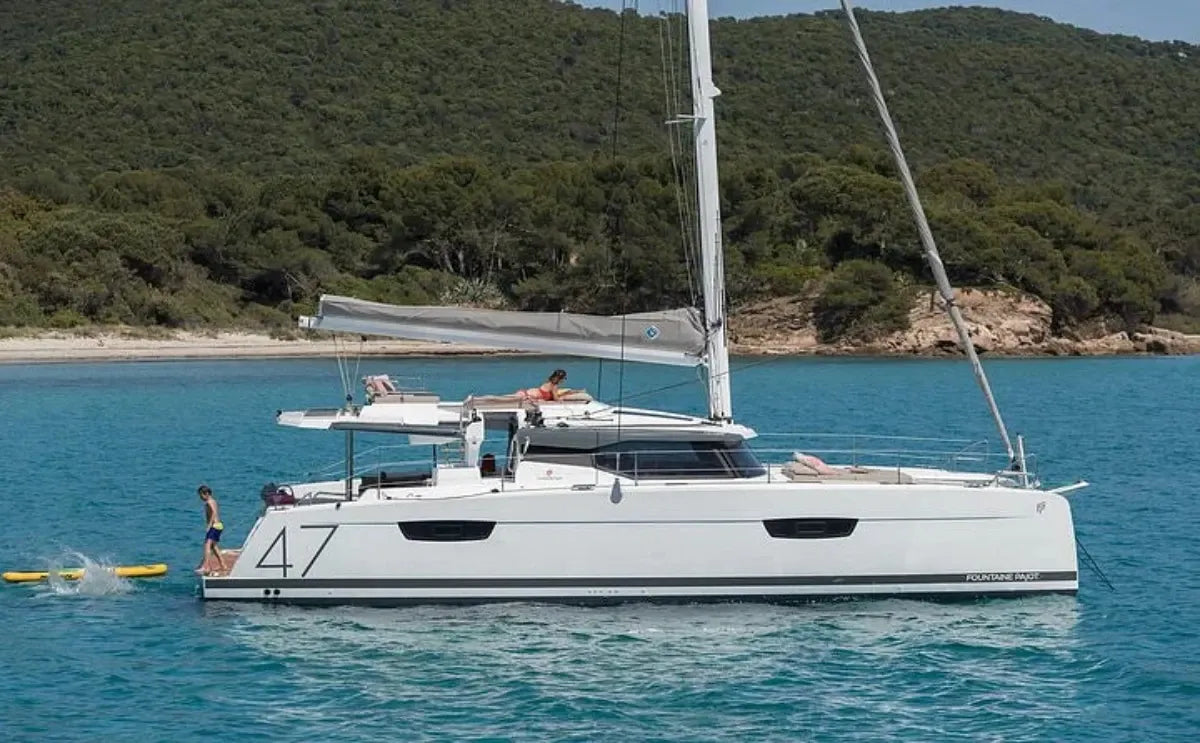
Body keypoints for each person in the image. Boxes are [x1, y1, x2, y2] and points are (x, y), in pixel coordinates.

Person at [195, 485, 227, 576]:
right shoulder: (213, 501)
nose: (200, 497)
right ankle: (223, 564)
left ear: (207, 494)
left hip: (214, 526)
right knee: (214, 546)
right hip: (218, 525)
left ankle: (206, 567)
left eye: (201, 495)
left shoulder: (209, 502)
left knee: (207, 545)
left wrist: (209, 526)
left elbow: (213, 513)